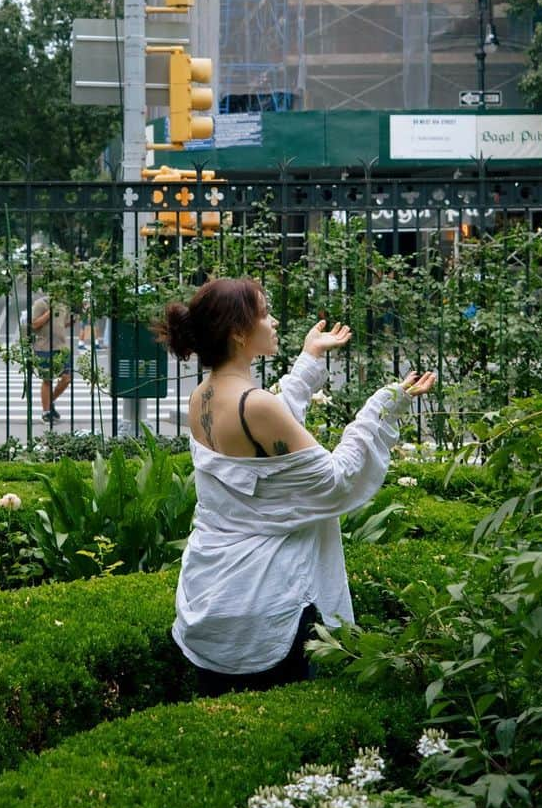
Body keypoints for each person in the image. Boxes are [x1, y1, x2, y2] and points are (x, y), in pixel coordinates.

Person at [155, 276, 435, 697]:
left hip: (213, 593)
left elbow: (263, 438)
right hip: (267, 598)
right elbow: (335, 481)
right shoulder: (257, 406)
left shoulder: (204, 396)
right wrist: (382, 405)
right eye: (265, 313)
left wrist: (308, 359)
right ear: (237, 333)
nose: (275, 321)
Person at [31, 292, 72, 423]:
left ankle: (50, 401)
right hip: (44, 347)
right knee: (47, 380)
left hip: (61, 347)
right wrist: (49, 312)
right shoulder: (40, 303)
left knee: (66, 379)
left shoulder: (63, 305)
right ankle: (46, 411)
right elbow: (34, 324)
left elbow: (63, 324)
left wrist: (76, 316)